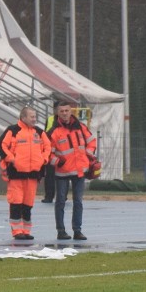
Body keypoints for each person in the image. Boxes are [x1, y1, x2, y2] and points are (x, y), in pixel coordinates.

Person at [0, 105, 51, 240]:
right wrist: (12, 159)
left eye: (35, 117)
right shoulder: (12, 130)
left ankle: (26, 231)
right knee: (16, 203)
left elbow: (48, 147)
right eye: (32, 117)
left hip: (33, 175)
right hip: (16, 174)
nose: (34, 119)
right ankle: (17, 232)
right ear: (23, 117)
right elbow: (1, 147)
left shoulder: (39, 132)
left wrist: (43, 160)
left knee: (28, 204)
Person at [47, 100, 97, 240]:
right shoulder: (54, 132)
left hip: (79, 170)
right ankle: (61, 231)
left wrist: (88, 154)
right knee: (60, 202)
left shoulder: (80, 127)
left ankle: (77, 230)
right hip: (62, 172)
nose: (64, 113)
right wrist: (57, 161)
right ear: (57, 112)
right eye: (61, 111)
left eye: (66, 110)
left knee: (78, 202)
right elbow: (46, 152)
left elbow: (92, 141)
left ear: (71, 111)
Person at [40, 101, 59, 203]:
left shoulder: (66, 120)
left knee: (61, 176)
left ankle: (62, 196)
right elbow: (46, 135)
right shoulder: (50, 119)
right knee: (49, 175)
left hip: (62, 152)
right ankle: (49, 196)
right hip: (51, 152)